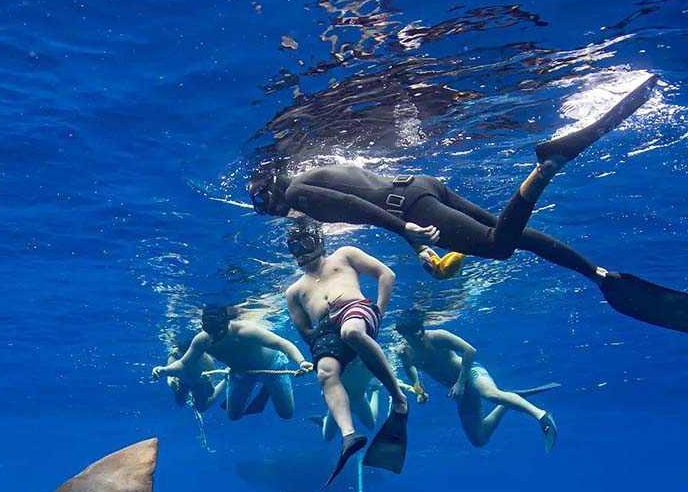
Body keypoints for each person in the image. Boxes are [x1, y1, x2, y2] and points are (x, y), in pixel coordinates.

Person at [249, 76, 688, 334]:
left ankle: (548, 164)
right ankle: (596, 273)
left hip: (409, 205)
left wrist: (405, 231)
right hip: (418, 187)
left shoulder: (295, 192)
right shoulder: (311, 175)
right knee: (512, 236)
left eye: (264, 205)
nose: (273, 212)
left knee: (498, 245)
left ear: (270, 191)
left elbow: (355, 206)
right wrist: (416, 243)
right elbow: (361, 198)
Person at [284, 218, 410, 485]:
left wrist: (379, 311)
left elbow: (386, 274)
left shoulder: (344, 255)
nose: (302, 252)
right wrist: (331, 358)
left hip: (356, 310)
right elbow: (307, 332)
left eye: (306, 243)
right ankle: (348, 435)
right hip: (325, 329)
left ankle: (398, 399)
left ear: (319, 241)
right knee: (325, 374)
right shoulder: (294, 291)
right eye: (295, 247)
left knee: (351, 332)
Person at [395, 308, 560, 453]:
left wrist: (460, 382)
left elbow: (470, 351)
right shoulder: (404, 353)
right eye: (413, 333)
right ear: (403, 334)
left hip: (472, 373)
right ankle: (508, 400)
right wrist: (418, 388)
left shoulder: (437, 336)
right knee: (479, 439)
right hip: (460, 392)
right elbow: (409, 368)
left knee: (490, 394)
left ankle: (542, 416)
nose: (418, 335)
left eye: (420, 330)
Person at [152, 305, 313, 420]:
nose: (213, 337)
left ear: (226, 324)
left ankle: (267, 389)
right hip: (240, 373)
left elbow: (281, 343)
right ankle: (256, 387)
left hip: (272, 367)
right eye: (210, 332)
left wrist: (301, 361)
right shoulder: (202, 340)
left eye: (218, 332)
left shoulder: (245, 331)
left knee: (286, 414)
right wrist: (165, 370)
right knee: (233, 416)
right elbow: (184, 364)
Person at [161, 340, 227, 412]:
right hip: (183, 382)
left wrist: (206, 382)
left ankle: (226, 380)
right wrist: (172, 383)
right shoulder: (175, 355)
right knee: (180, 402)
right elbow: (169, 376)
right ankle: (225, 380)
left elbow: (210, 392)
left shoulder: (206, 359)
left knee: (201, 407)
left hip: (199, 383)